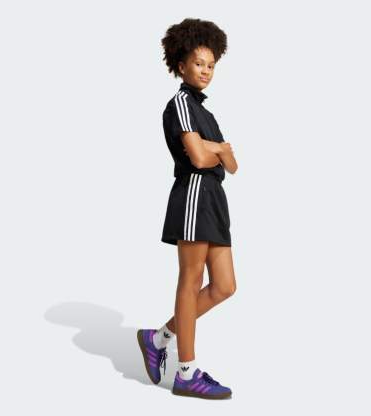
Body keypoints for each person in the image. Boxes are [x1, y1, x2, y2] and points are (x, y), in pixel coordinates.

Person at [137, 18, 238, 400]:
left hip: (215, 199)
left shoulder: (205, 112)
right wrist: (216, 150)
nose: (206, 71)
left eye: (211, 65)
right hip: (194, 193)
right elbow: (198, 158)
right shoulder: (179, 103)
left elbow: (233, 165)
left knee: (225, 286)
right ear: (181, 65)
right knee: (191, 280)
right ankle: (186, 372)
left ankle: (159, 338)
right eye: (199, 63)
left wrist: (218, 151)